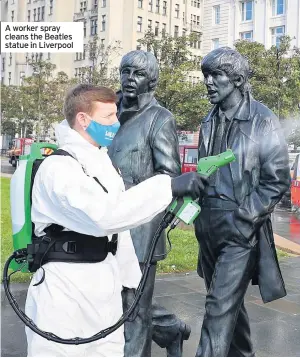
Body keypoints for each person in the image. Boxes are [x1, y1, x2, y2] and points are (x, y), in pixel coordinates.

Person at [25, 84, 207, 357]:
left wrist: (128, 279)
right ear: (83, 119)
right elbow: (105, 216)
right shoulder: (58, 168)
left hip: (103, 289)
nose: (115, 122)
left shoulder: (101, 162)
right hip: (66, 293)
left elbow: (117, 234)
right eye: (108, 116)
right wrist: (167, 187)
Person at [194, 47, 290, 356]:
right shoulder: (208, 120)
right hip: (208, 226)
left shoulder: (262, 119)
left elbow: (276, 181)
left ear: (236, 79)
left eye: (216, 75)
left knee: (217, 308)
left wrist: (244, 219)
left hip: (240, 227)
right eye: (205, 75)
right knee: (228, 306)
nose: (208, 82)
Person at [107, 50, 191, 357]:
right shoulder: (106, 111)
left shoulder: (159, 119)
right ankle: (170, 330)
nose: (129, 79)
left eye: (138, 74)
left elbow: (170, 176)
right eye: (125, 71)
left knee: (134, 309)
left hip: (140, 228)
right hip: (104, 223)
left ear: (151, 80)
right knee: (116, 300)